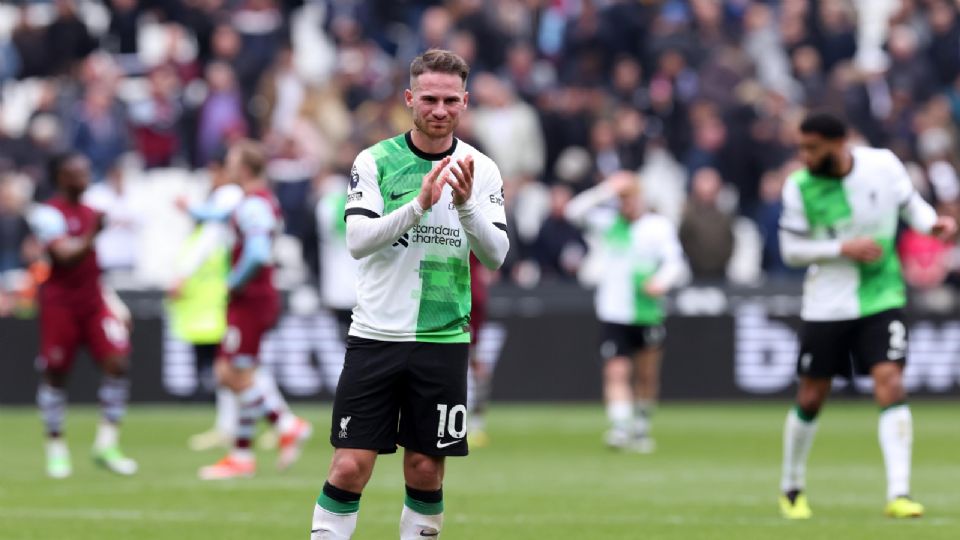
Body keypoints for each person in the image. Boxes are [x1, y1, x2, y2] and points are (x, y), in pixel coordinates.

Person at [309, 49, 509, 540]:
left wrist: (464, 209)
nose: (439, 110)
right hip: (376, 333)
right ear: (409, 99)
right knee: (350, 466)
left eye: (449, 100)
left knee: (425, 469)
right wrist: (418, 205)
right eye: (428, 99)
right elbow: (358, 241)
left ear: (464, 101)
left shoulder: (480, 169)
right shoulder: (374, 160)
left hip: (442, 339)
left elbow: (497, 254)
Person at [777, 112, 957, 520]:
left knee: (890, 381)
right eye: (801, 148)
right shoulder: (799, 187)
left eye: (811, 148)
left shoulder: (882, 165)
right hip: (827, 302)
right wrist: (841, 249)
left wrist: (933, 225)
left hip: (881, 294)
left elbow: (910, 204)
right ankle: (791, 487)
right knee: (811, 394)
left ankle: (899, 492)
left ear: (838, 144)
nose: (804, 156)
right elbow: (790, 251)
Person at [198, 139, 311, 480]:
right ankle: (242, 455)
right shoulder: (258, 202)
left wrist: (233, 281)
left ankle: (285, 423)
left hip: (250, 299)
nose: (227, 167)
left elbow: (259, 253)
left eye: (231, 161)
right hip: (256, 298)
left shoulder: (254, 205)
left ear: (245, 168)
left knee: (229, 373)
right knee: (237, 373)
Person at [27, 152, 137, 478]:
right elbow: (66, 256)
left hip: (93, 301)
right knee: (57, 374)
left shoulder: (91, 212)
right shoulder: (47, 214)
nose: (85, 178)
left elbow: (92, 268)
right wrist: (93, 233)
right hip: (60, 304)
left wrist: (114, 303)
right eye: (77, 173)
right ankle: (56, 446)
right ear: (61, 178)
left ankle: (107, 443)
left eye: (87, 171)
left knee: (118, 362)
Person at [565, 170, 685, 453]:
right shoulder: (608, 223)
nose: (626, 204)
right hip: (614, 312)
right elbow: (573, 211)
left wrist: (661, 282)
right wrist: (606, 188)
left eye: (631, 198)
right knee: (616, 371)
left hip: (647, 312)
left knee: (646, 376)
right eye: (622, 199)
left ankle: (641, 428)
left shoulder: (658, 227)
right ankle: (620, 428)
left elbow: (675, 261)